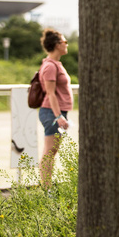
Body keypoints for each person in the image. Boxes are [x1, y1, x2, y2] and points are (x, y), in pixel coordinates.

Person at [37, 28, 72, 185]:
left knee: (52, 151)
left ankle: (47, 186)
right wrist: (58, 116)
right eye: (65, 42)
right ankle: (46, 188)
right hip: (52, 113)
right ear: (57, 45)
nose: (67, 45)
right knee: (49, 152)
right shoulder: (50, 66)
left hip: (56, 112)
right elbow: (50, 93)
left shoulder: (54, 64)